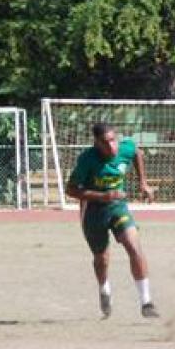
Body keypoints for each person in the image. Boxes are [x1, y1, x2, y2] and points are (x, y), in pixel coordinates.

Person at [65, 123, 159, 319]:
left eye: (113, 140)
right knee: (102, 258)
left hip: (118, 207)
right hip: (93, 212)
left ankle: (146, 302)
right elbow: (71, 190)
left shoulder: (126, 148)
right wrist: (102, 196)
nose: (112, 146)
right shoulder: (87, 160)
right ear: (97, 143)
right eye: (106, 142)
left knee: (134, 247)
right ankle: (104, 287)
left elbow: (137, 153)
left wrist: (143, 182)